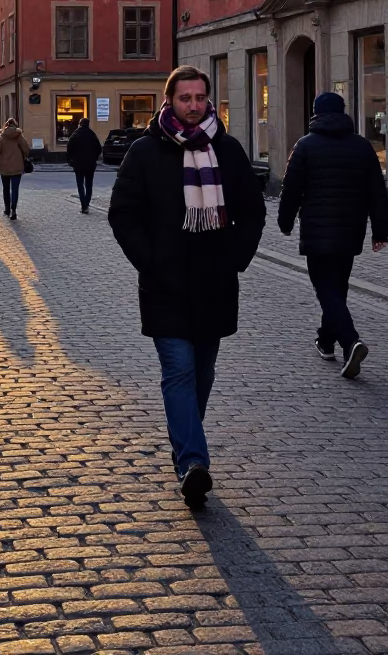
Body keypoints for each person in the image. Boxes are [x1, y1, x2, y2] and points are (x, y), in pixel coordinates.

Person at [108, 66, 265, 507]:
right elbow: (123, 213)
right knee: (178, 370)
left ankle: (185, 445)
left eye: (199, 97)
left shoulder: (228, 150)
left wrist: (236, 257)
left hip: (215, 281)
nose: (193, 105)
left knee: (203, 372)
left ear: (208, 99)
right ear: (169, 101)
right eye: (185, 98)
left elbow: (252, 212)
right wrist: (150, 260)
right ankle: (193, 463)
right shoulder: (145, 152)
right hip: (165, 283)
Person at [278, 90, 388, 379]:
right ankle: (326, 341)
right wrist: (380, 230)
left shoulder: (305, 146)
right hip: (350, 230)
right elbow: (377, 191)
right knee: (337, 287)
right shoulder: (362, 147)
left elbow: (291, 189)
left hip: (317, 231)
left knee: (326, 289)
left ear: (315, 113)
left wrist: (285, 222)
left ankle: (351, 341)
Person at [0, 118, 31, 221]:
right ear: (15, 126)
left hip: (4, 167)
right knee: (15, 189)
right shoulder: (19, 136)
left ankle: (7, 209)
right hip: (17, 167)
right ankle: (14, 210)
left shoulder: (1, 137)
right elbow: (26, 150)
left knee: (6, 189)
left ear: (6, 125)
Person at [66, 116, 102, 214]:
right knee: (89, 185)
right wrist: (94, 157)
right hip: (90, 164)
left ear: (79, 124)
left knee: (80, 185)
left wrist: (70, 160)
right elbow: (99, 148)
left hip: (78, 164)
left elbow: (69, 149)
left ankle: (83, 205)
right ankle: (87, 203)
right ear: (88, 124)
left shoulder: (75, 134)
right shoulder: (92, 135)